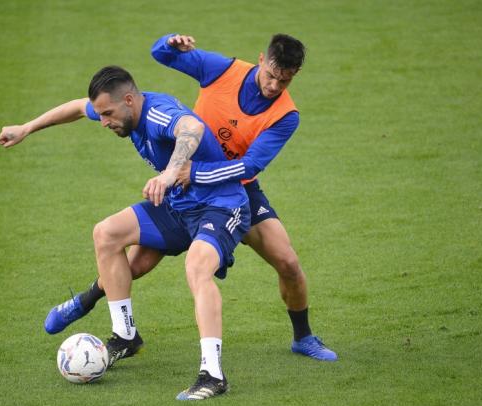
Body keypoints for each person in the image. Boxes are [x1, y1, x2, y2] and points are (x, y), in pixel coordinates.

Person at [46, 33, 337, 362]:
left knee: (288, 263)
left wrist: (192, 173)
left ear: (293, 76)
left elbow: (250, 165)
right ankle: (92, 304)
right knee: (136, 263)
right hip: (186, 188)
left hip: (233, 188)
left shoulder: (286, 115)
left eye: (284, 81)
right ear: (261, 59)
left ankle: (303, 337)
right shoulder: (223, 71)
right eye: (271, 75)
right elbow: (160, 56)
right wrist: (170, 43)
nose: (274, 86)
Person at [0, 66, 251, 400]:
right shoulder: (119, 109)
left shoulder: (159, 114)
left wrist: (170, 173)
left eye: (108, 114)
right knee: (106, 233)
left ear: (129, 100)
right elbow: (75, 107)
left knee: (197, 268)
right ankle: (125, 335)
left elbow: (191, 127)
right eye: (100, 114)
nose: (103, 122)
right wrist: (26, 128)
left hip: (220, 205)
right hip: (177, 206)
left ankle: (213, 375)